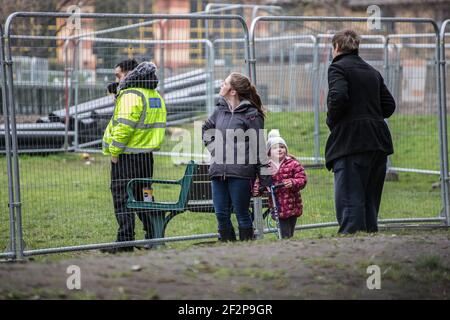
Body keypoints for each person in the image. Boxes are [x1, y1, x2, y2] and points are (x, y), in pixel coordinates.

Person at [325, 30, 396, 234]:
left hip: (351, 143)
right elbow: (389, 105)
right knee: (369, 200)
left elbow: (338, 97)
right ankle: (369, 243)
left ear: (337, 48)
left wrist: (332, 120)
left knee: (349, 198)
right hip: (378, 142)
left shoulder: (337, 68)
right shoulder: (372, 71)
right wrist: (368, 114)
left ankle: (352, 241)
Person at [102, 59, 166, 253]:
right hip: (146, 157)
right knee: (145, 196)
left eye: (118, 75)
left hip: (127, 157)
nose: (116, 79)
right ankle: (154, 236)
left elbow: (124, 126)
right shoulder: (153, 94)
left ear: (130, 74)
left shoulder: (131, 95)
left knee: (122, 197)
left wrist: (115, 152)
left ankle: (125, 242)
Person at [202, 72, 270, 242]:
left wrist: (264, 179)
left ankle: (246, 249)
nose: (221, 85)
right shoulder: (219, 110)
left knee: (241, 213)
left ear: (233, 91)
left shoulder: (252, 114)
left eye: (224, 83)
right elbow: (206, 129)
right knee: (221, 214)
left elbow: (259, 147)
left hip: (241, 173)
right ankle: (228, 249)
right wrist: (215, 150)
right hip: (218, 172)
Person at [253, 129, 308, 239]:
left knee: (290, 231)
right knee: (284, 233)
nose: (279, 149)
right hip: (277, 204)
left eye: (282, 147)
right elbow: (260, 182)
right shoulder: (266, 167)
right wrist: (258, 189)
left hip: (293, 203)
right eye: (275, 148)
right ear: (269, 152)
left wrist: (293, 182)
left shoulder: (293, 164)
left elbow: (302, 179)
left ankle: (288, 244)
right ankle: (284, 244)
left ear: (286, 150)